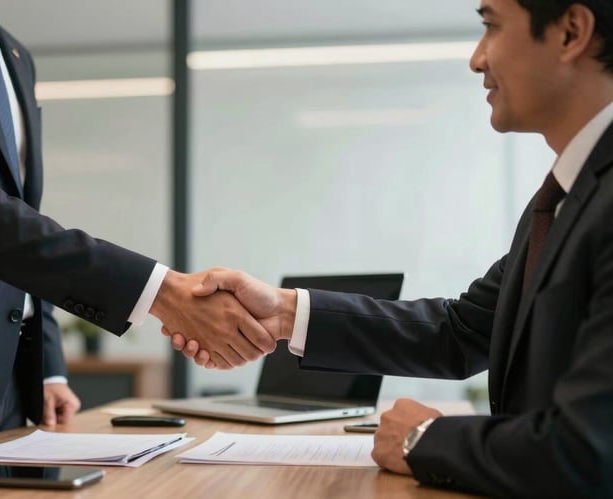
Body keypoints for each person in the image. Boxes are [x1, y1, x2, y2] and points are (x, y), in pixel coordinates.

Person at [168, 0, 613, 497]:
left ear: (571, 32)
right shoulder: (564, 198)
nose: (477, 59)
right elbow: (463, 330)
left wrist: (425, 438)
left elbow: (589, 452)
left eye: (491, 27)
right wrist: (286, 313)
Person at [0, 0, 275, 454]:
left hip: (9, 383)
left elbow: (19, 215)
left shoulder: (13, 55)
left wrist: (47, 364)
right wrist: (161, 292)